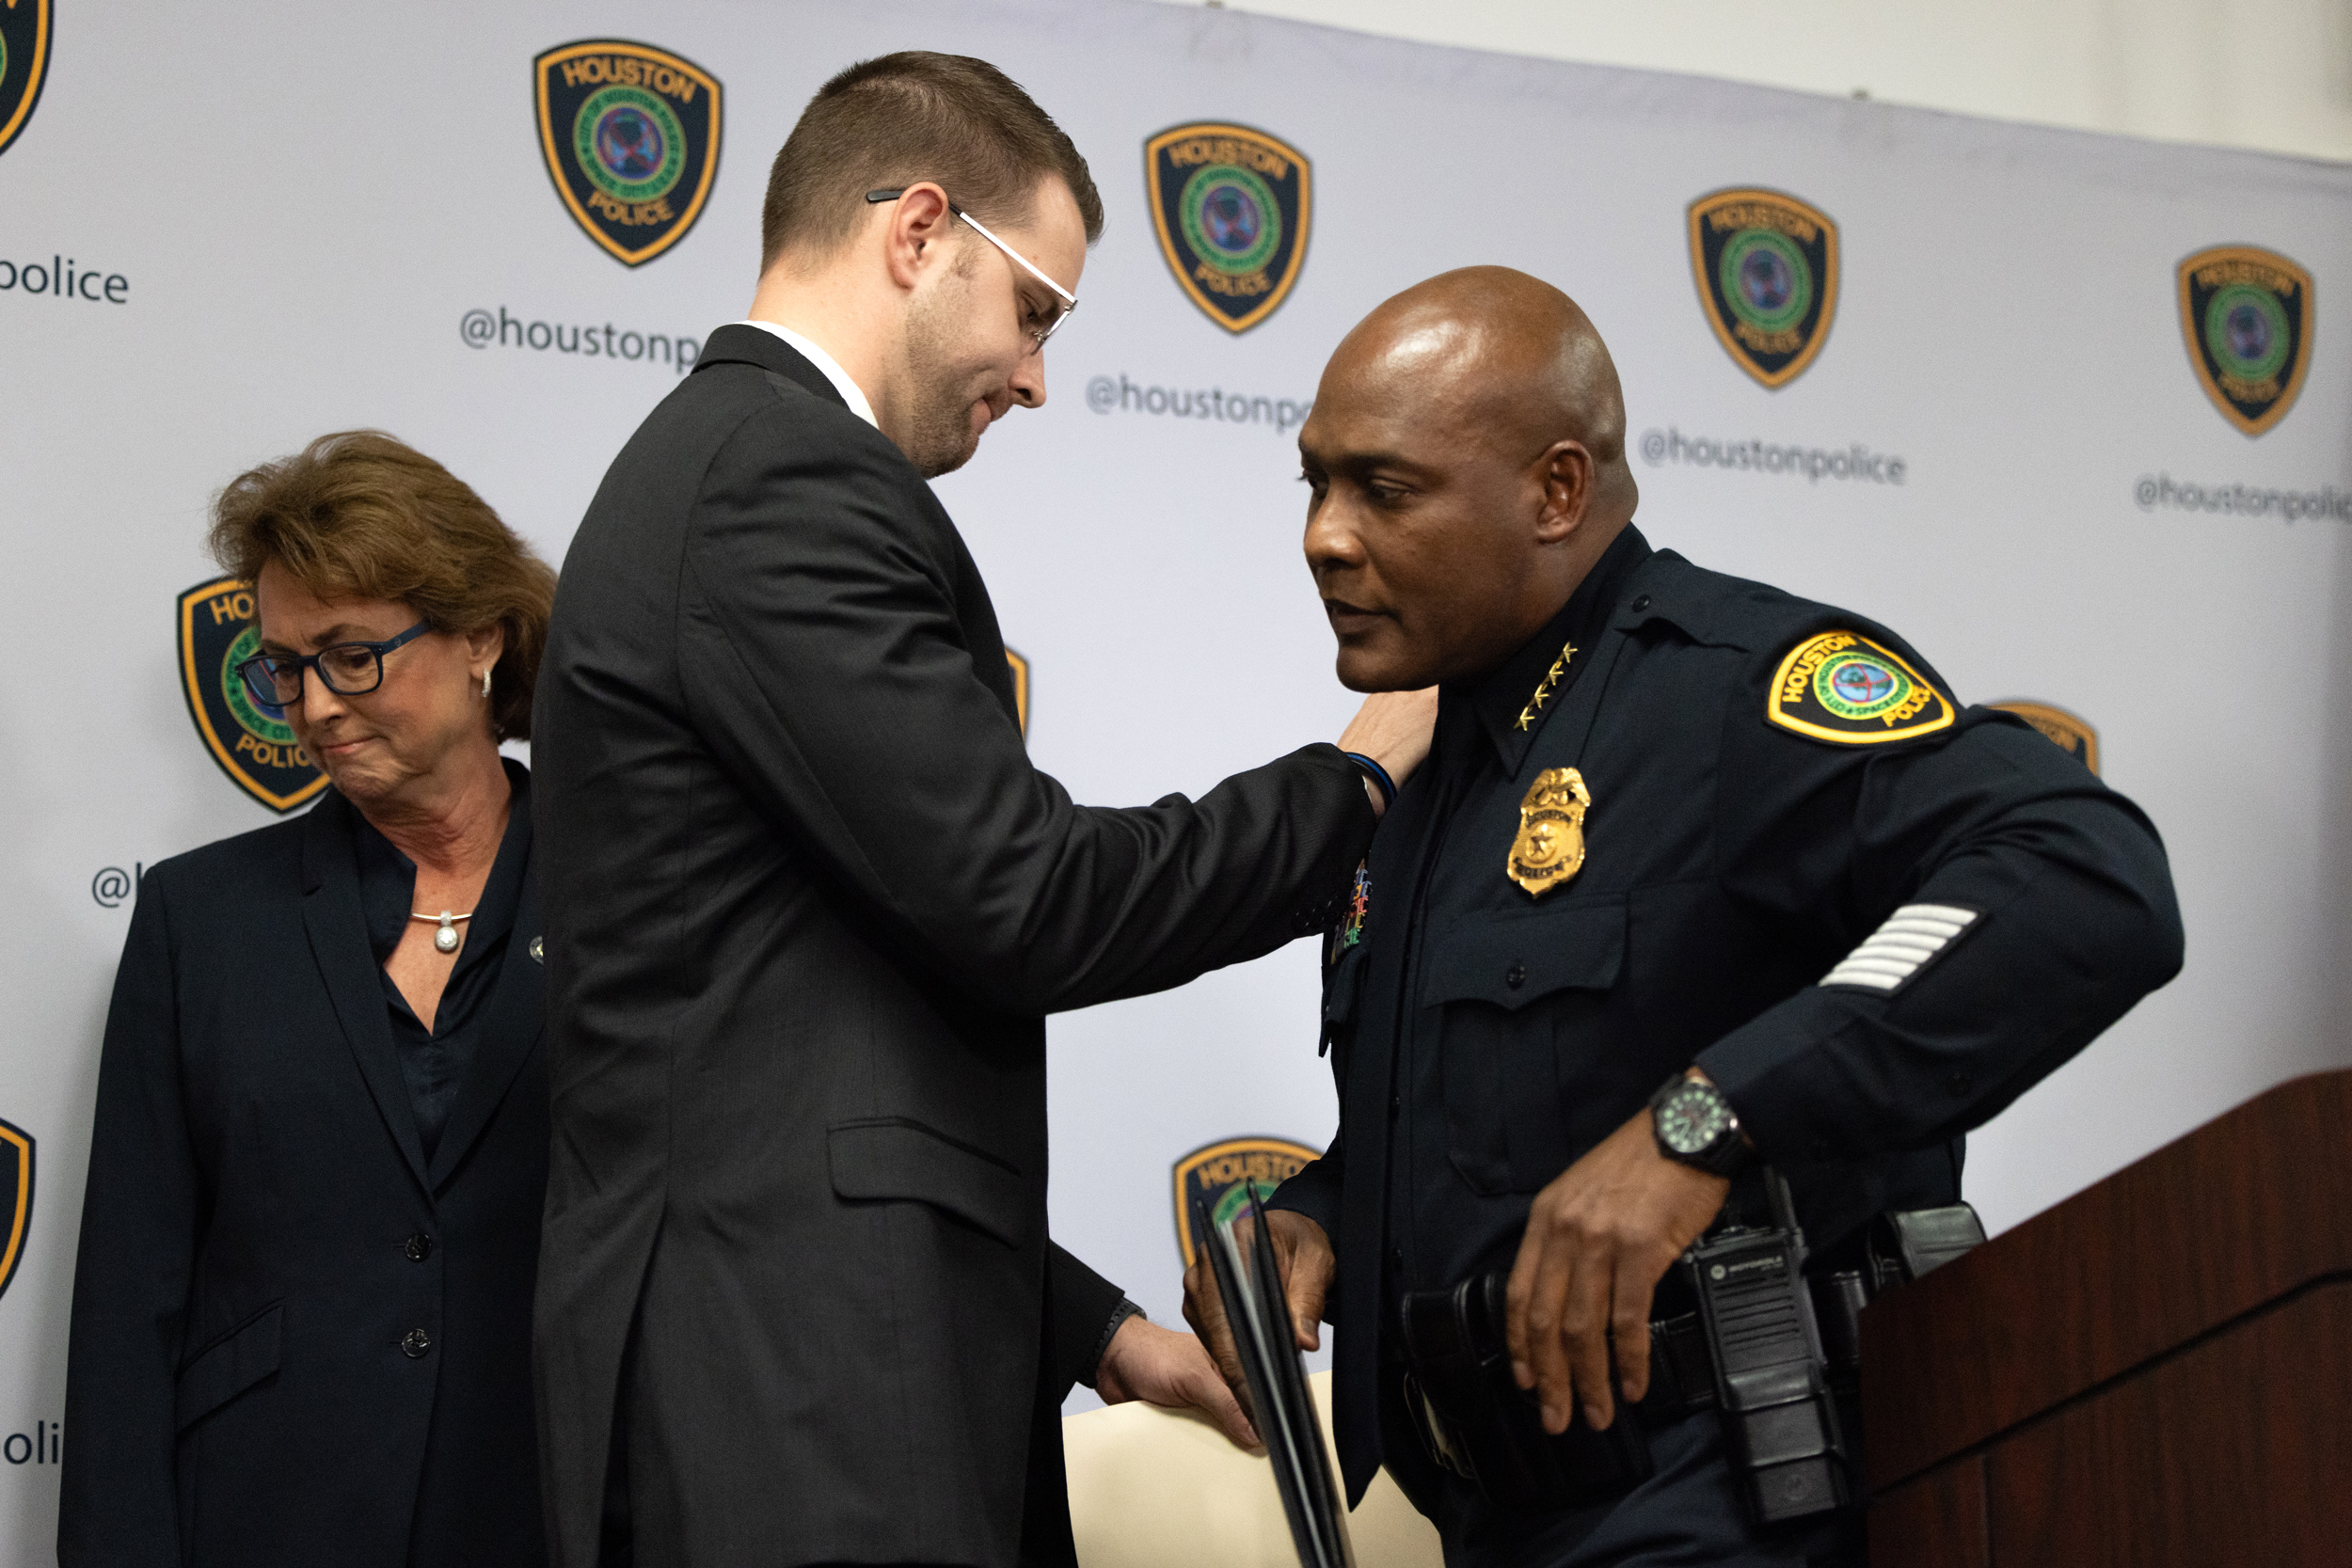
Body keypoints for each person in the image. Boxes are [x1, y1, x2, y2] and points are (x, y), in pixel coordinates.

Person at [529, 52, 1436, 1568]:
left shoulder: (741, 467)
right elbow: (1027, 896)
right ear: (919, 230)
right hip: (792, 1398)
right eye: (1035, 311)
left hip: (795, 1373)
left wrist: (1092, 1329)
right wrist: (1358, 779)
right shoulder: (779, 480)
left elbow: (806, 1017)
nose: (1033, 374)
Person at [1183, 268, 2185, 1567]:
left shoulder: (1735, 693)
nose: (1325, 534)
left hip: (1736, 1507)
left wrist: (1702, 1119)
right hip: (1499, 1519)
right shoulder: (1431, 767)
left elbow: (2087, 874)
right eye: (1314, 482)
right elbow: (1493, 1119)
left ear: (1555, 492)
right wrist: (1325, 1208)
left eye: (1383, 487)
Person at [61, 432, 561, 1567]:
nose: (316, 707)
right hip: (269, 1512)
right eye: (284, 667)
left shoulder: (634, 903)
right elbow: (128, 1313)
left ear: (482, 636)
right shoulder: (202, 921)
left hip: (551, 1504)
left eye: (351, 655)